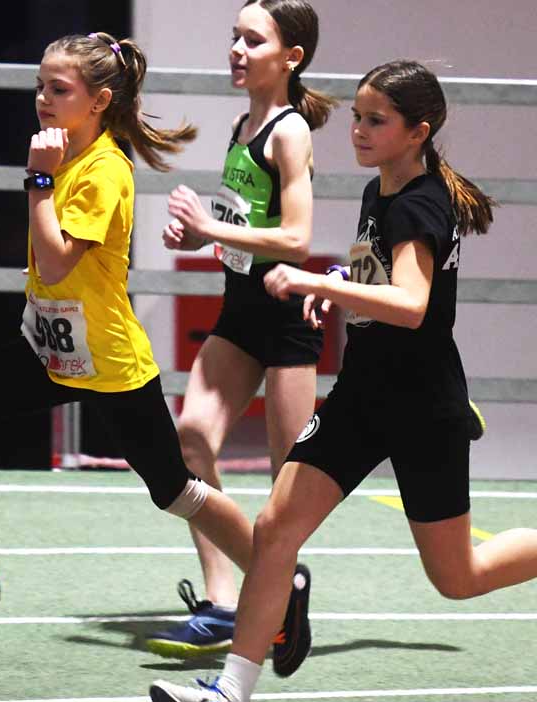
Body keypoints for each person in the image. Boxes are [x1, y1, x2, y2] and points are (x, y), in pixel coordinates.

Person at [149, 59, 537, 702]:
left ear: (418, 131)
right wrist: (340, 283)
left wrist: (313, 280)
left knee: (458, 577)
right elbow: (381, 278)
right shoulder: (377, 192)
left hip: (422, 408)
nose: (357, 130)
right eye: (356, 116)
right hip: (360, 398)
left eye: (375, 121)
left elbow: (411, 305)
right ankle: (231, 690)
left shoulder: (419, 203)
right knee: (275, 528)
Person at [0, 31, 269, 631]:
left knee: (176, 491)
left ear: (98, 101)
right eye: (39, 87)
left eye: (59, 90)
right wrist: (44, 177)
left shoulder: (103, 170)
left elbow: (54, 263)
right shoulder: (62, 156)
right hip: (47, 349)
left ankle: (278, 579)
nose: (43, 100)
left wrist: (38, 180)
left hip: (106, 360)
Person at [145, 0, 337, 664]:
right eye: (234, 37)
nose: (236, 49)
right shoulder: (241, 123)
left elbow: (297, 238)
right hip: (239, 311)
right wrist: (199, 234)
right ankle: (226, 600)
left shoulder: (290, 132)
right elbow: (244, 220)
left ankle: (280, 594)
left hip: (285, 320)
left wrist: (209, 228)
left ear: (291, 58)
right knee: (191, 440)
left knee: (290, 492)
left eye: (253, 40)